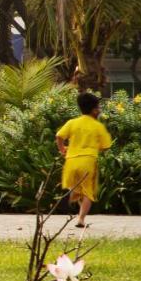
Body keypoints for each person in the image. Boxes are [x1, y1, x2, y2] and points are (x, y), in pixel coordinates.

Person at [56, 92, 112, 228]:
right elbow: (106, 146)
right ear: (94, 110)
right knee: (88, 192)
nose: (99, 110)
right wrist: (94, 146)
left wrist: (62, 149)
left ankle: (70, 195)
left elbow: (59, 136)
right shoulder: (98, 126)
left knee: (75, 187)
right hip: (88, 161)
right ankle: (81, 219)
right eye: (98, 108)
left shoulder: (72, 123)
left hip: (71, 161)